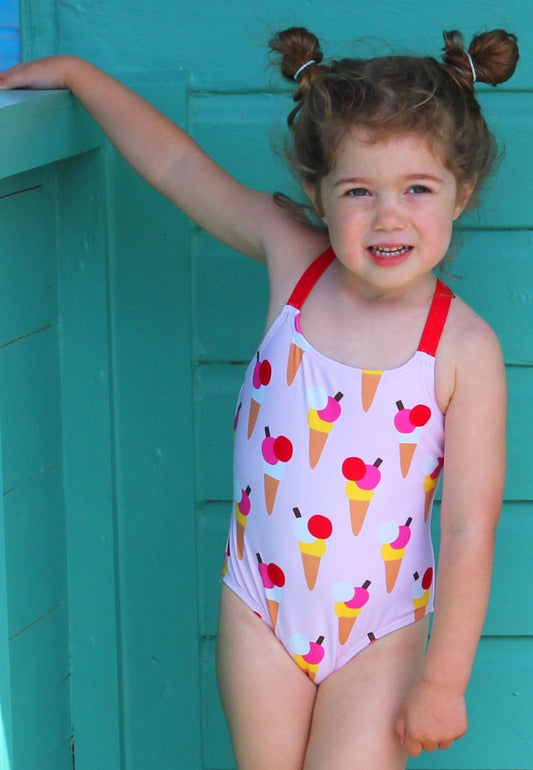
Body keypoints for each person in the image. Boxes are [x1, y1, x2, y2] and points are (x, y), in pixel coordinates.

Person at [0, 24, 519, 769]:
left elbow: (469, 529)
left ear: (460, 192)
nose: (388, 216)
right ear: (316, 192)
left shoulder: (463, 349)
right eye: (358, 190)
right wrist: (82, 76)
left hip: (379, 635)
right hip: (260, 610)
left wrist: (443, 681)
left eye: (417, 188)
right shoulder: (293, 261)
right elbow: (178, 165)